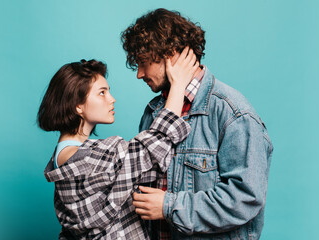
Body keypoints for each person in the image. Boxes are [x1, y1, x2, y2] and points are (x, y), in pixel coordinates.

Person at [121, 8, 273, 240]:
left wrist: (168, 205)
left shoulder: (233, 114)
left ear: (171, 55)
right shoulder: (153, 113)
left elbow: (245, 197)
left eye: (143, 62)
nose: (139, 74)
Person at [38, 49, 199, 239]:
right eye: (102, 93)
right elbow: (152, 146)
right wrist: (178, 84)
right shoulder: (83, 157)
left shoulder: (63, 155)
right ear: (78, 105)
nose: (111, 99)